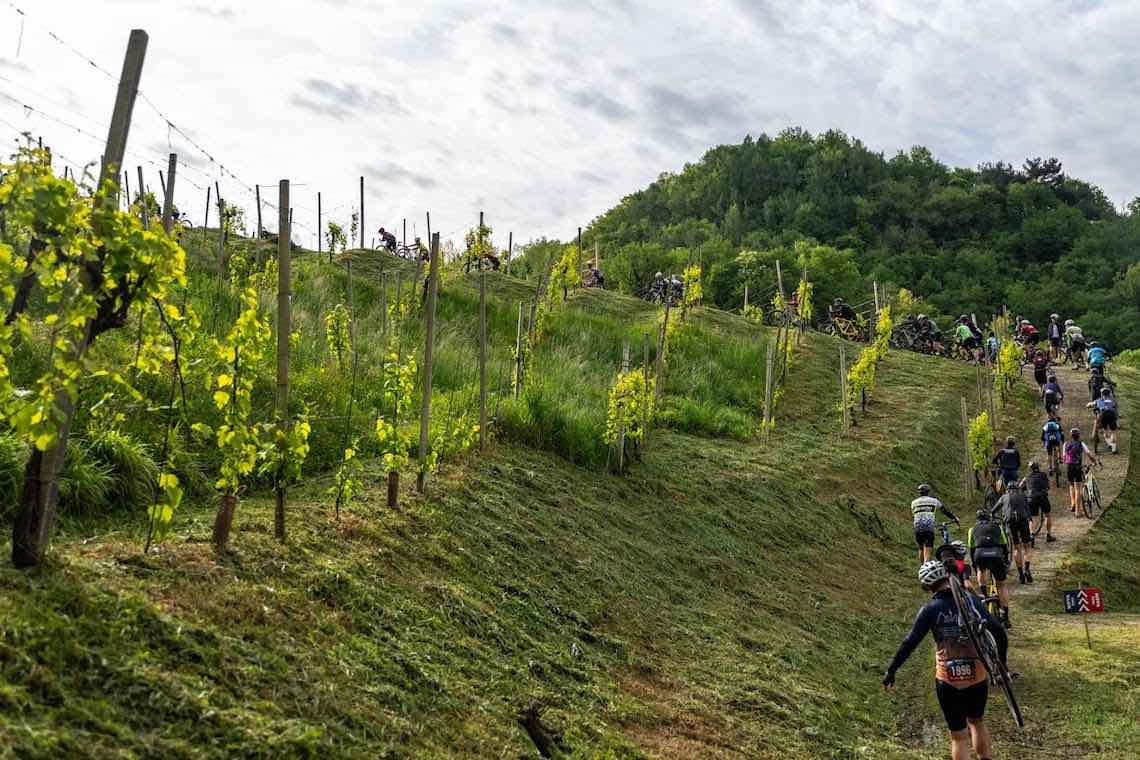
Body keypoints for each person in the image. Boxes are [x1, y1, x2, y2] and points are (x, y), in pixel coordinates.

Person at [882, 561, 1006, 760]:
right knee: (977, 721)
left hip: (947, 677)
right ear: (947, 577)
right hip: (976, 673)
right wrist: (1001, 663)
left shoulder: (929, 609)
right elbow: (997, 630)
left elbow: (910, 642)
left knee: (958, 736)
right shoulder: (970, 601)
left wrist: (892, 669)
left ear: (927, 586)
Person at [968, 509, 1012, 627]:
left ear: (977, 520)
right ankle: (1006, 616)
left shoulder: (972, 529)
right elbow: (1004, 545)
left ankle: (985, 594)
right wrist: (1006, 561)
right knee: (1002, 585)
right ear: (989, 518)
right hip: (997, 555)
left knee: (980, 570)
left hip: (980, 555)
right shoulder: (998, 527)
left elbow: (972, 549)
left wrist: (974, 564)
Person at [911, 484, 959, 565]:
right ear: (928, 492)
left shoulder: (913, 503)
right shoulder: (934, 501)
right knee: (928, 547)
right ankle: (927, 565)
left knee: (921, 548)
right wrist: (954, 518)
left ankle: (922, 567)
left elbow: (916, 514)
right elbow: (944, 510)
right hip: (928, 527)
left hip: (917, 528)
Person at [996, 480, 1033, 584]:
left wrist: (995, 517)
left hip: (1010, 522)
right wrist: (1030, 521)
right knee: (1027, 546)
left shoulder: (1003, 497)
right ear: (1017, 489)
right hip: (1022, 520)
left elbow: (993, 510)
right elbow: (1028, 511)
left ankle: (1021, 574)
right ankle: (1027, 569)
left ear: (1008, 490)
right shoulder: (1022, 496)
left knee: (1017, 548)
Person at [1063, 428, 1100, 513]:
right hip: (1077, 467)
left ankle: (1073, 504)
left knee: (1071, 485)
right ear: (1078, 436)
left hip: (1069, 467)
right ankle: (1078, 511)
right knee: (1078, 488)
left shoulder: (1065, 444)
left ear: (1070, 435)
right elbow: (1089, 454)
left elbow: (1064, 458)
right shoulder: (1081, 443)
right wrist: (1094, 462)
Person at [1022, 461, 1055, 544]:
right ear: (1038, 467)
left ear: (1030, 469)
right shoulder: (1043, 475)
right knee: (1047, 515)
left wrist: (1025, 489)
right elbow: (1048, 486)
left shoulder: (1027, 477)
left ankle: (1032, 535)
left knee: (1033, 518)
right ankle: (1048, 535)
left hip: (1031, 498)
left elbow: (1020, 486)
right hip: (1042, 496)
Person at [1087, 387, 1119, 454]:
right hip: (1112, 415)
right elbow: (1116, 409)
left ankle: (1109, 443)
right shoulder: (1113, 400)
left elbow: (1090, 404)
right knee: (1113, 431)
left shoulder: (1099, 400)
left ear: (1102, 394)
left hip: (1103, 415)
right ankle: (1114, 448)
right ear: (1109, 394)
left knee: (1105, 430)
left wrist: (1088, 406)